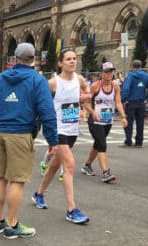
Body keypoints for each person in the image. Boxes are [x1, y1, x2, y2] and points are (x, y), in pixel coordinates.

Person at [0, 42, 58, 239]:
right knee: (17, 180)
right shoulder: (37, 80)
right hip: (21, 133)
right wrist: (52, 140)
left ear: (14, 59)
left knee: (0, 177)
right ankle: (12, 224)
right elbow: (47, 112)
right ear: (33, 59)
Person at [32, 49, 91, 225]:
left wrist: (83, 103)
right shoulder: (53, 83)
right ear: (60, 63)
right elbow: (39, 100)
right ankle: (71, 210)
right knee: (70, 165)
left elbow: (86, 91)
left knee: (54, 166)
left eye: (74, 59)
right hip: (58, 130)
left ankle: (39, 194)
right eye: (68, 59)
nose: (72, 62)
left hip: (72, 129)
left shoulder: (79, 79)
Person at [80, 62, 128, 183]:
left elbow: (118, 102)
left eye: (111, 71)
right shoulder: (95, 86)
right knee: (102, 144)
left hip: (108, 120)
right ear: (101, 73)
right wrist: (92, 112)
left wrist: (123, 117)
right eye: (106, 72)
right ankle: (106, 173)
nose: (109, 74)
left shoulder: (115, 86)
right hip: (95, 120)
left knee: (98, 144)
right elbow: (86, 102)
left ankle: (87, 165)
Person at [121, 59, 148, 147]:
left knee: (129, 122)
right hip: (141, 102)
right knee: (140, 123)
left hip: (130, 102)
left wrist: (123, 99)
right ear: (140, 66)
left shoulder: (130, 76)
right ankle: (139, 142)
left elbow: (126, 89)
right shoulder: (147, 76)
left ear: (132, 67)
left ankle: (128, 140)